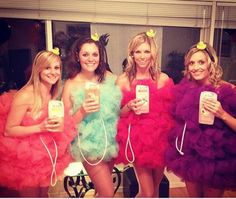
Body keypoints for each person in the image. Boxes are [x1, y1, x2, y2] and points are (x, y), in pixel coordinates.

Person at [0, 49, 76, 197]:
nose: (53, 72)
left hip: (44, 156)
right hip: (25, 158)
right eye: (47, 67)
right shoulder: (25, 96)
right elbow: (9, 130)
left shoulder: (51, 94)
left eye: (57, 68)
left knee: (44, 196)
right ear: (38, 70)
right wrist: (40, 127)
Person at [166, 41, 236, 197]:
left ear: (211, 64)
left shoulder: (228, 90)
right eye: (191, 63)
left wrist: (223, 114)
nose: (195, 67)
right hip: (191, 156)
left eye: (201, 62)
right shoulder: (183, 90)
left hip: (217, 159)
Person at [115, 30, 174, 197]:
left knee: (154, 192)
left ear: (153, 54)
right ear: (132, 54)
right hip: (137, 142)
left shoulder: (162, 79)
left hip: (160, 142)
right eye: (138, 51)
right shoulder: (123, 80)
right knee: (147, 193)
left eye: (146, 51)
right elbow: (117, 113)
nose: (142, 56)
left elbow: (170, 113)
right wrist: (128, 105)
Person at [62, 35, 121, 197]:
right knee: (108, 193)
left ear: (100, 57)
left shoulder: (108, 77)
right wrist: (82, 110)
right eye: (85, 54)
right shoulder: (71, 83)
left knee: (102, 192)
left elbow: (121, 101)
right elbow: (66, 124)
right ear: (77, 56)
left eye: (95, 54)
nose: (90, 59)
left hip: (111, 141)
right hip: (88, 145)